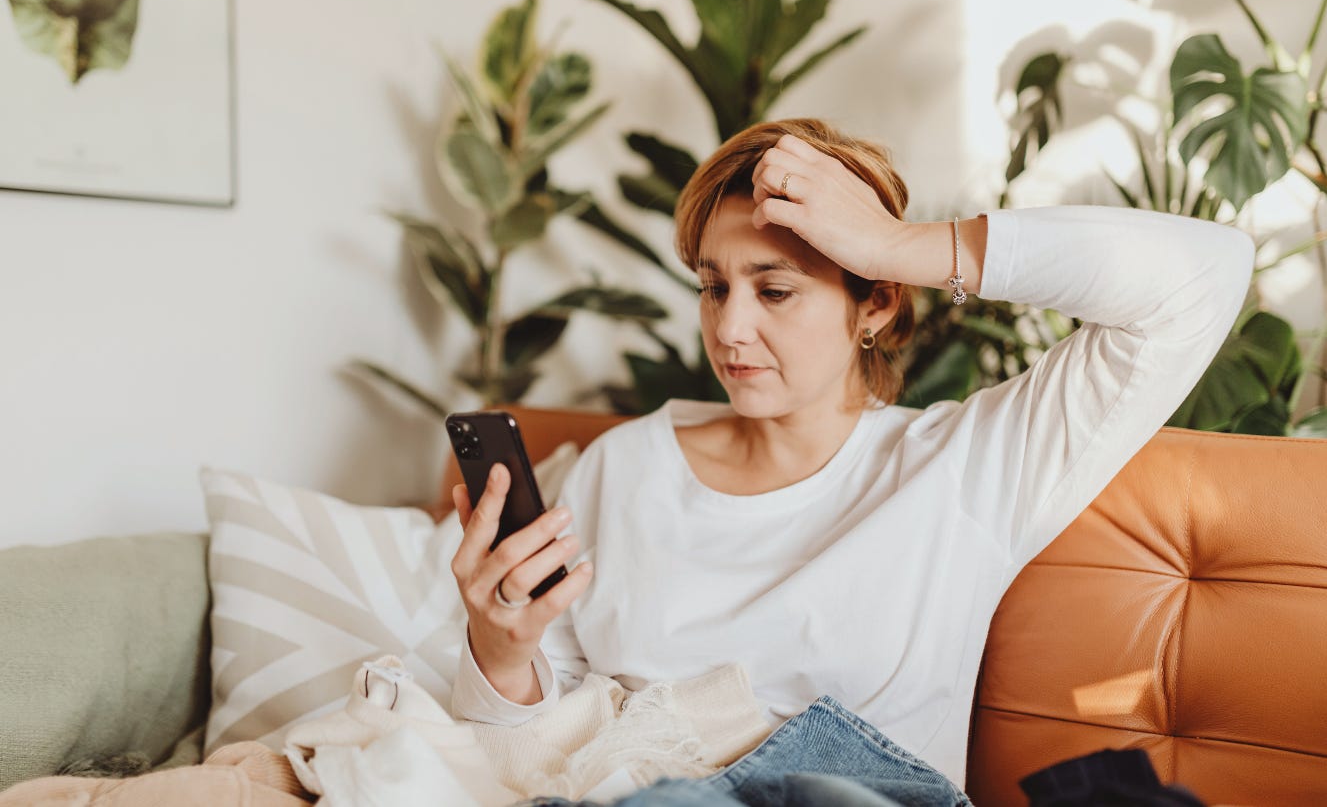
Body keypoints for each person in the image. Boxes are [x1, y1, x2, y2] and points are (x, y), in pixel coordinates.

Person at [446, 118, 1255, 804]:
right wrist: (501, 648)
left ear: (876, 301)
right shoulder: (620, 467)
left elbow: (1203, 276)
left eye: (774, 291)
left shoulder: (966, 465)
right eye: (711, 285)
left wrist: (898, 242)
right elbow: (531, 745)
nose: (728, 330)